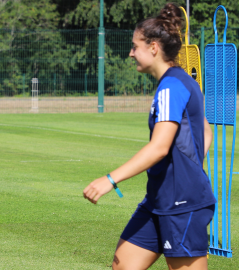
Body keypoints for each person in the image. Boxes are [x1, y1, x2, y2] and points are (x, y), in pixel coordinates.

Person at [83, 3, 216, 270]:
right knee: (123, 265)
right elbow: (205, 130)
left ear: (153, 47)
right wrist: (189, 163)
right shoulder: (179, 81)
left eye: (135, 46)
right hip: (157, 200)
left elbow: (159, 148)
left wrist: (110, 179)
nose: (130, 53)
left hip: (182, 204)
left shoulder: (171, 87)